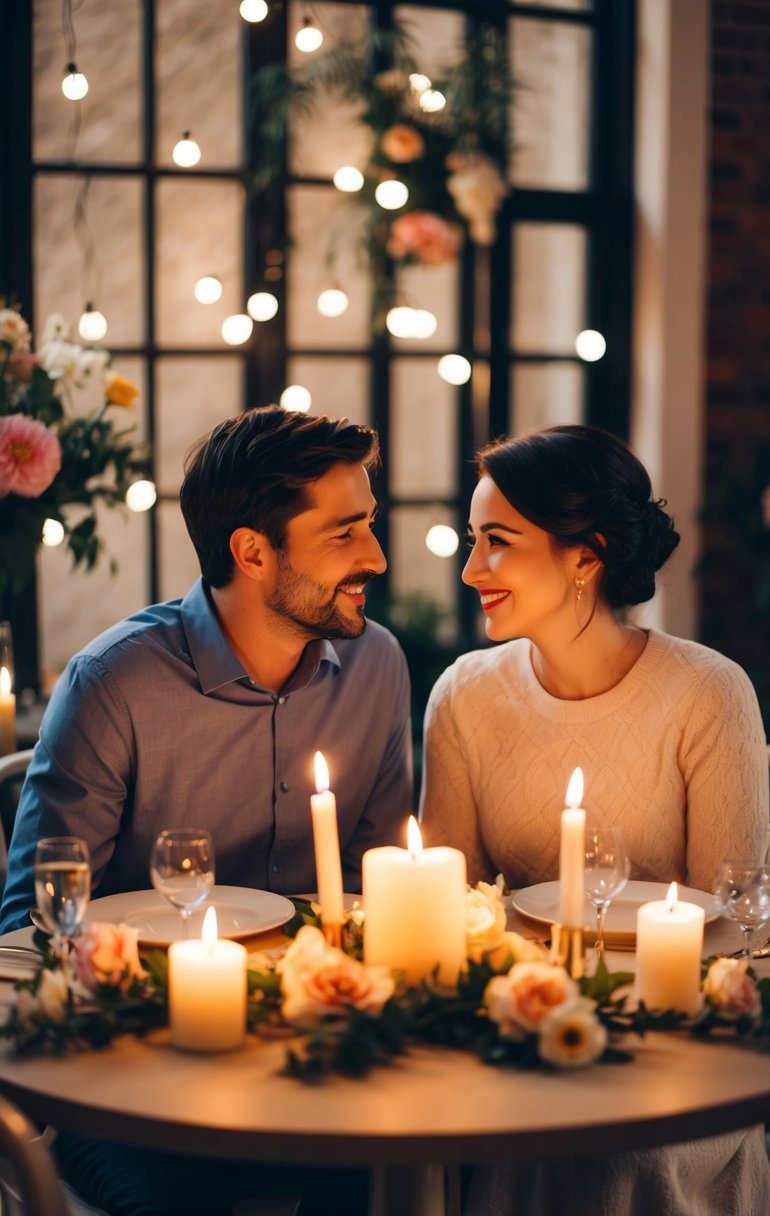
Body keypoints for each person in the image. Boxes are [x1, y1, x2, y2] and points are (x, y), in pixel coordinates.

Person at [1, 403, 413, 1216]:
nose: (377, 555)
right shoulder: (113, 682)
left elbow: (377, 889)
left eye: (370, 523)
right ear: (252, 552)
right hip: (133, 1074)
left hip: (316, 1058)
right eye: (345, 532)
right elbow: (34, 925)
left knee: (423, 1175)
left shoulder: (377, 667)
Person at [420, 424, 770, 1216]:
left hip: (674, 1048)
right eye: (474, 540)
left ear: (585, 554)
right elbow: (446, 906)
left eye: (498, 542)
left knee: (602, 1153)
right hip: (515, 1033)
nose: (471, 568)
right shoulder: (463, 695)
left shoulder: (707, 694)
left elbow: (732, 922)